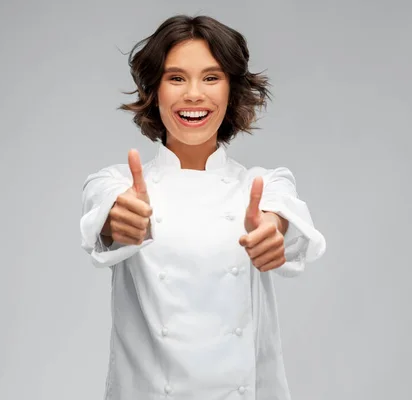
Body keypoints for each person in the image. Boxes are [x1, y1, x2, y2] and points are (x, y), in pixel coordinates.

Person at [80, 14, 326, 400]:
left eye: (211, 78)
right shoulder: (117, 184)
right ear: (153, 90)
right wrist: (122, 221)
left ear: (232, 91)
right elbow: (107, 212)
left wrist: (270, 230)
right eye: (176, 78)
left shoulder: (261, 185)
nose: (194, 94)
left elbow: (278, 215)